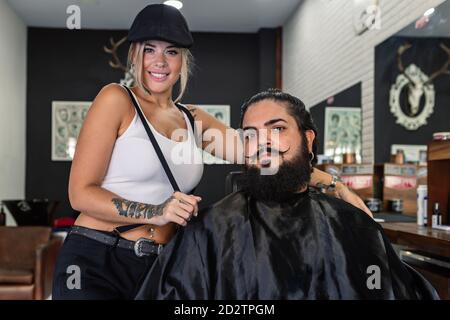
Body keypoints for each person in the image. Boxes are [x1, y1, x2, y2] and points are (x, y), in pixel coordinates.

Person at [52, 4, 371, 299]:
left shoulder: (192, 120)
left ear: (182, 60)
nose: (160, 62)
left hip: (161, 267)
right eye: (150, 50)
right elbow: (80, 194)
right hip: (99, 258)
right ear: (135, 55)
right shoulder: (116, 99)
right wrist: (155, 211)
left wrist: (333, 185)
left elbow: (261, 155)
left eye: (171, 52)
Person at [135, 89, 438, 300]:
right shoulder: (208, 231)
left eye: (277, 129)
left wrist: (339, 188)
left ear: (307, 138)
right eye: (250, 134)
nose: (263, 141)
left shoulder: (354, 226)